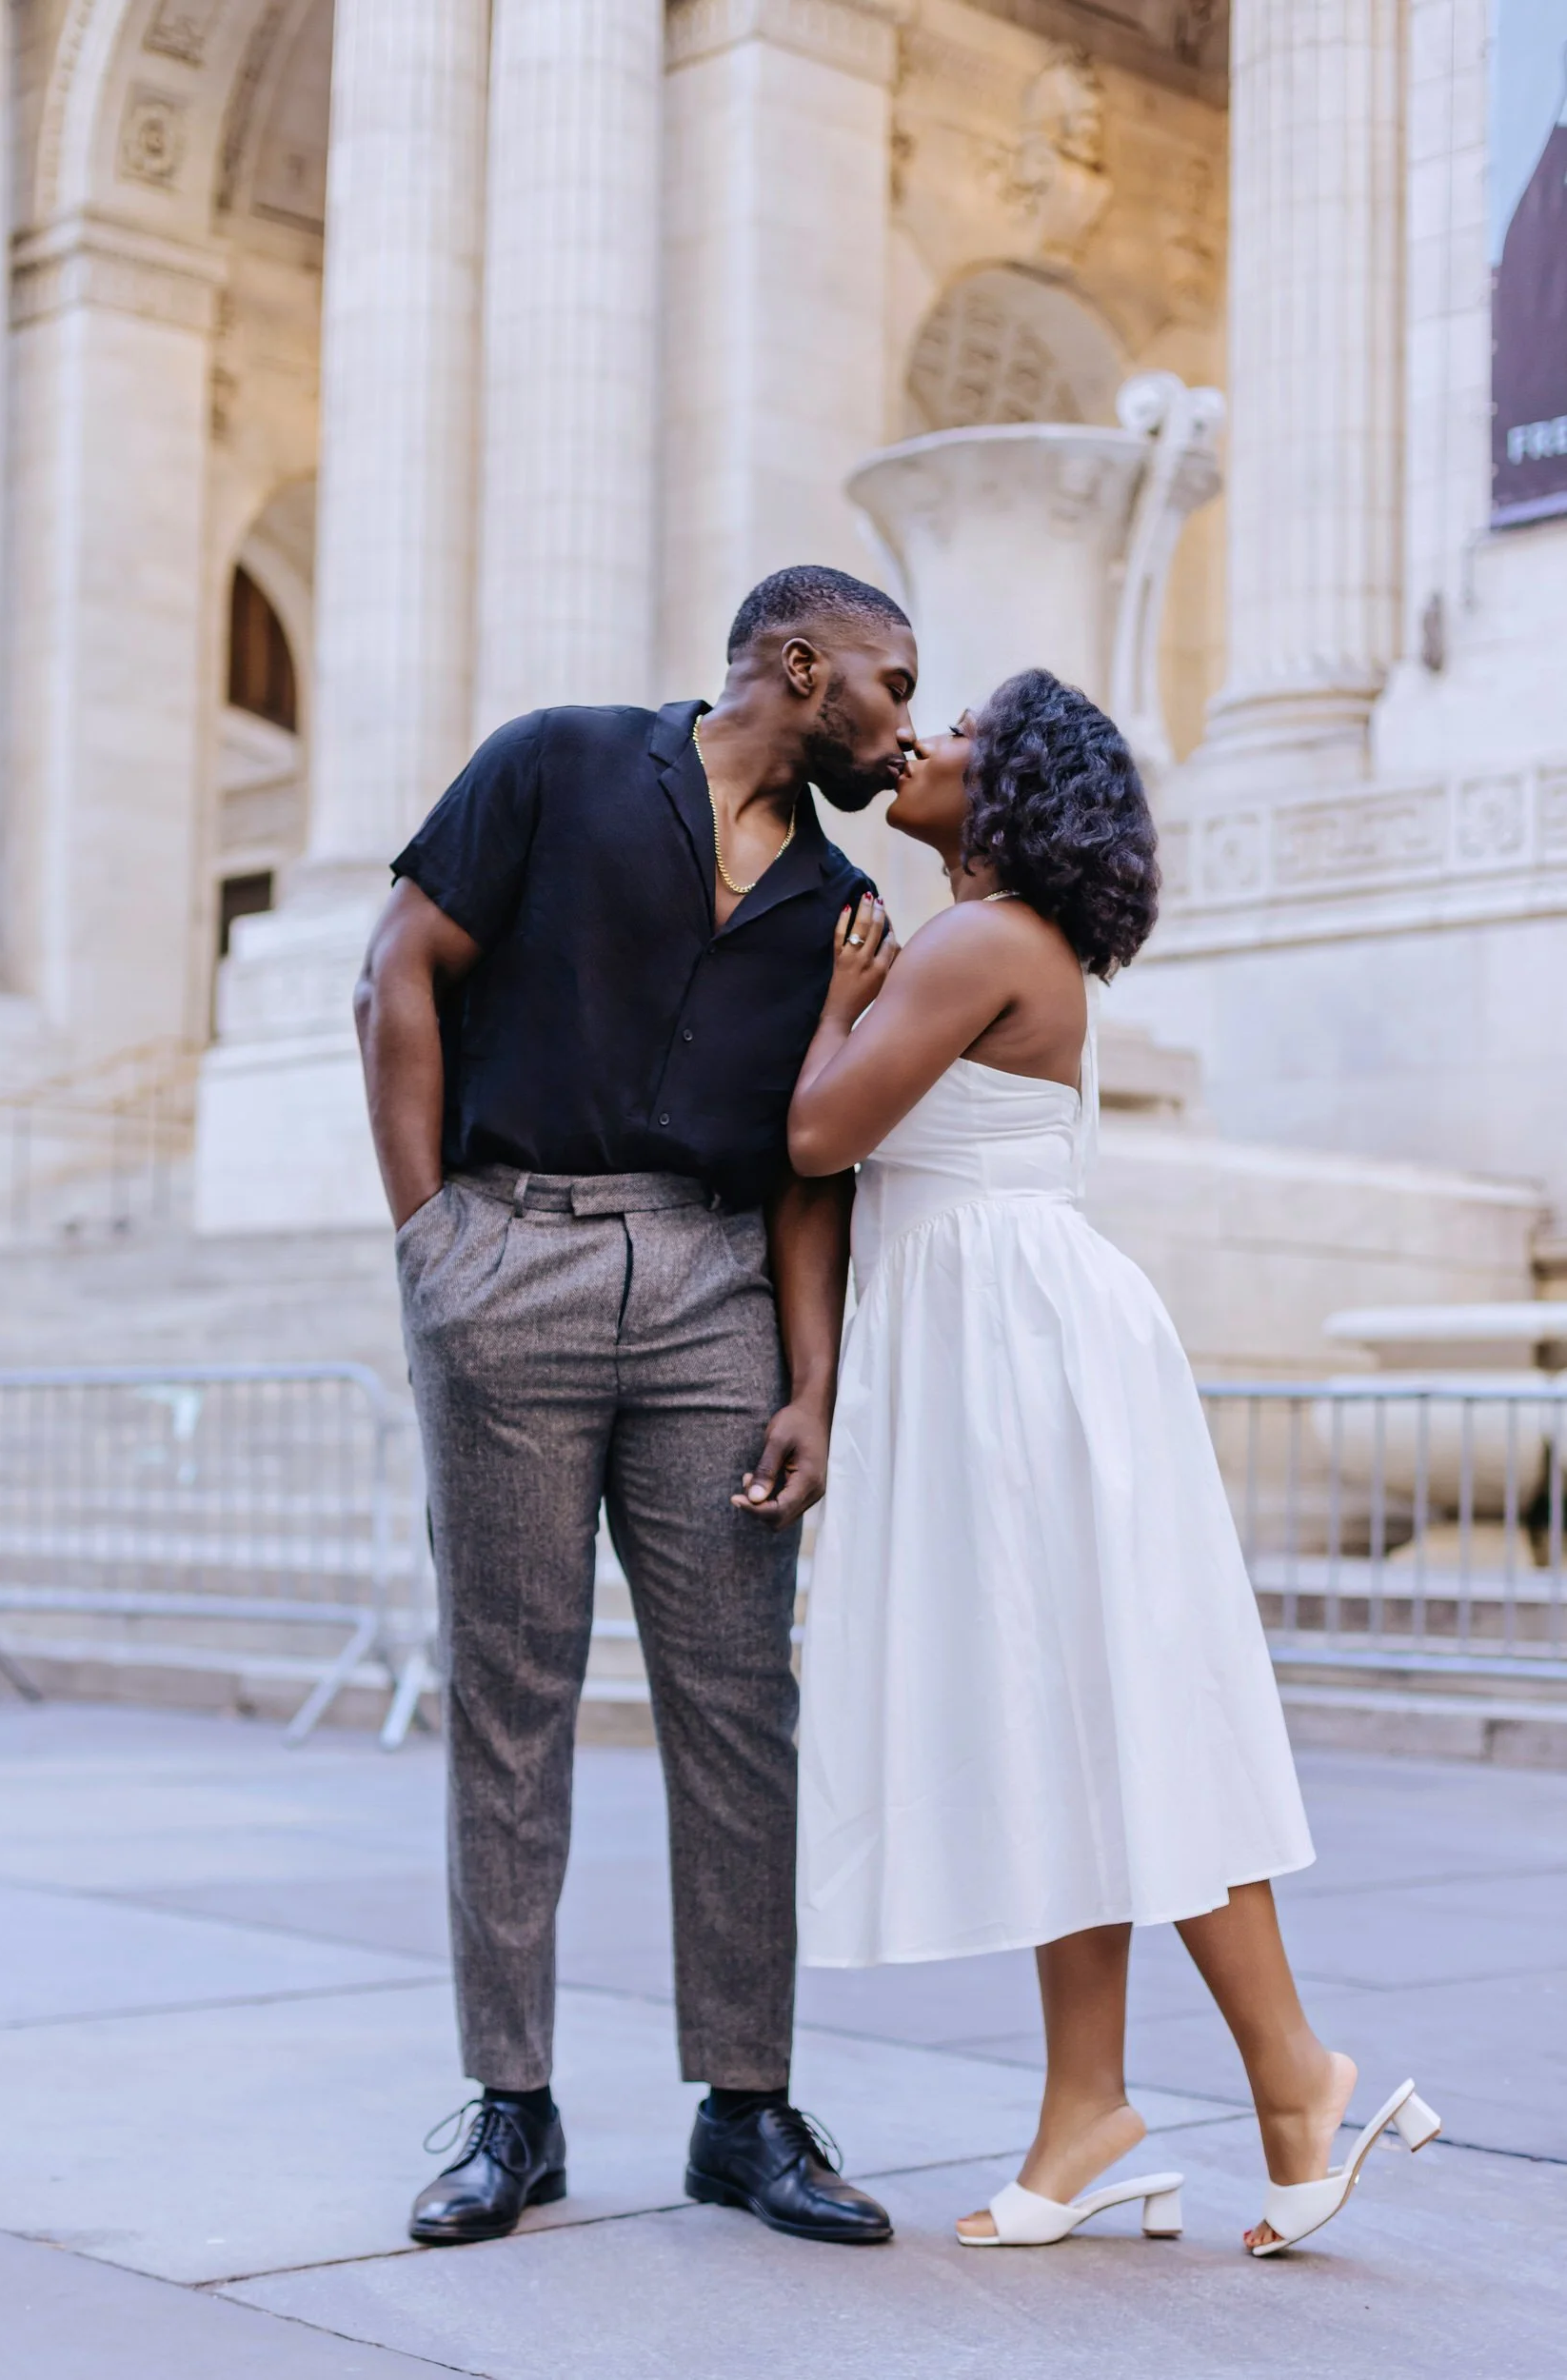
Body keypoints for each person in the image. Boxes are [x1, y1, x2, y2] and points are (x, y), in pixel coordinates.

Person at [789, 669, 1442, 2257]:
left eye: (958, 738)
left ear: (1003, 794)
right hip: (1010, 1342)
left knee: (1123, 1713)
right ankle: (1090, 2109)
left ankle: (1296, 2075)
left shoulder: (977, 941)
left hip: (1019, 1352)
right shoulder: (1008, 941)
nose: (922, 745)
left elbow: (815, 1136)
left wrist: (830, 1009)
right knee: (1064, 1720)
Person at [354, 565, 919, 2251]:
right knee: (511, 1700)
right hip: (505, 1256)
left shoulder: (842, 910)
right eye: (893, 684)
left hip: (710, 1295)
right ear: (802, 666)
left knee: (744, 1709)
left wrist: (812, 1383)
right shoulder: (558, 761)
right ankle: (510, 2108)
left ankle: (744, 2110)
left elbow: (815, 1166)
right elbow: (396, 969)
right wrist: (430, 1247)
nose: (905, 728)